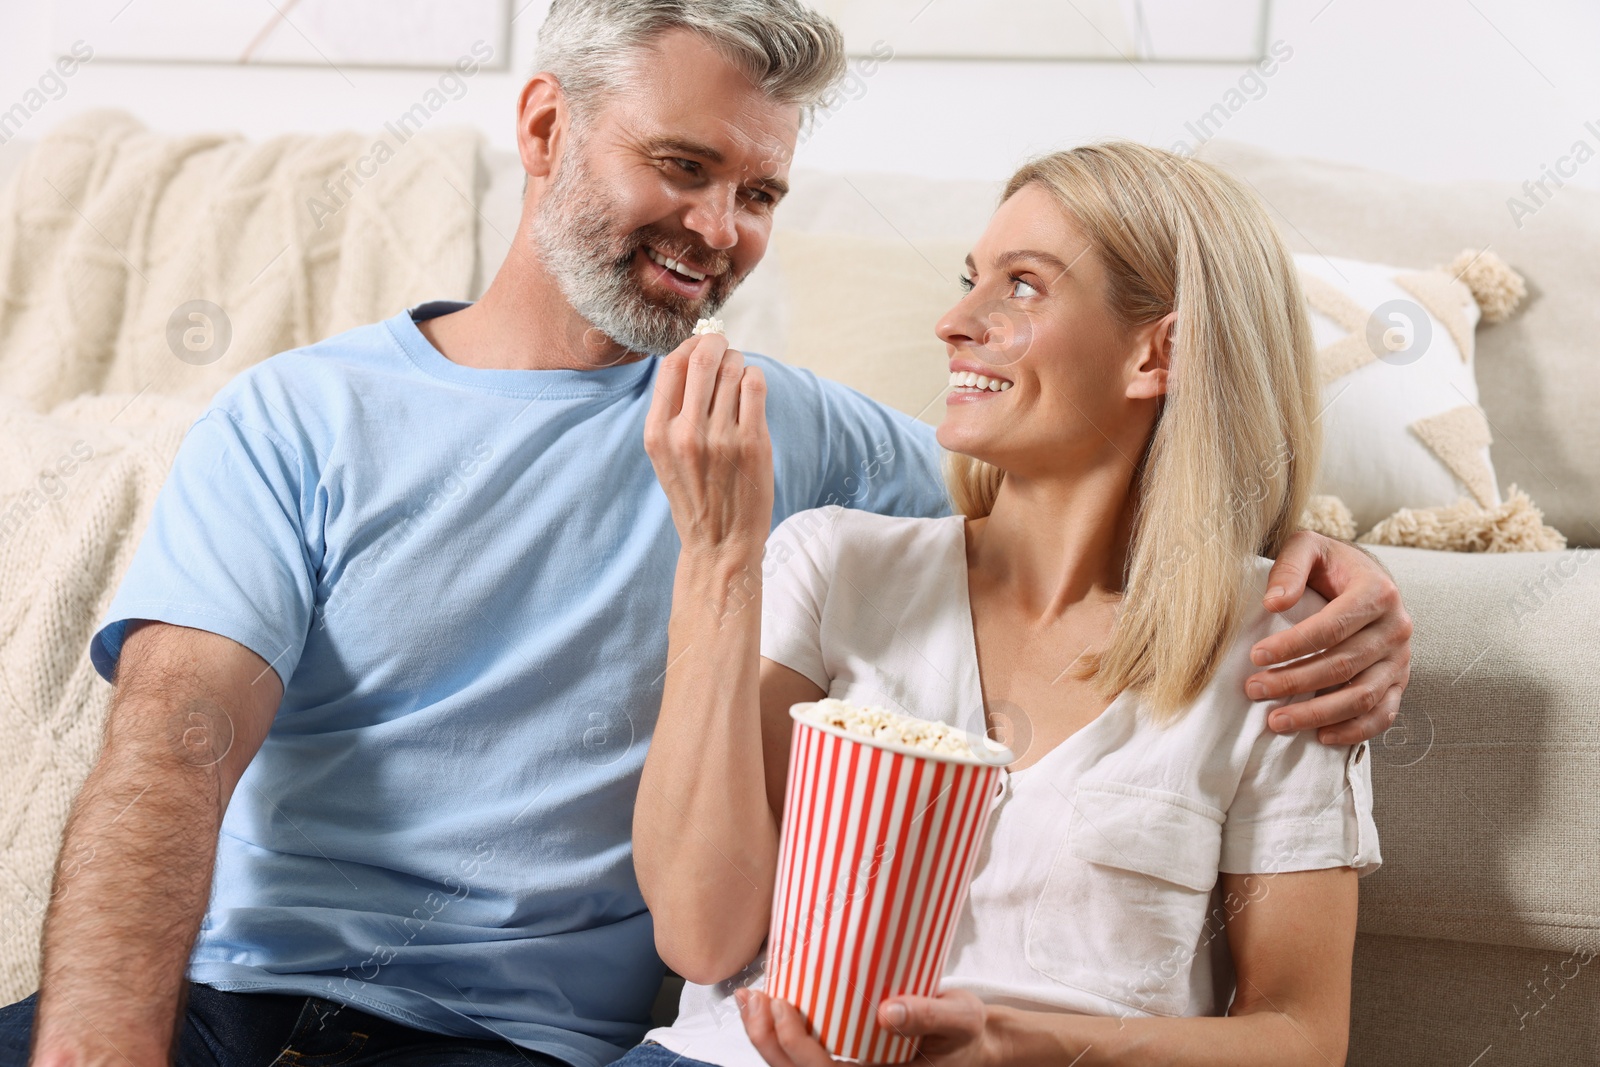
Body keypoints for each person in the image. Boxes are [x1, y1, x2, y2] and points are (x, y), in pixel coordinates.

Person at [2, 2, 1411, 1065]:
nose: (719, 230)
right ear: (546, 128)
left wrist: (1331, 561)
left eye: (760, 193)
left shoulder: (804, 445)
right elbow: (172, 754)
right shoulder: (298, 416)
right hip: (224, 997)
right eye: (682, 165)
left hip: (526, 1040)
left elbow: (1089, 487)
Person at [632, 141, 1381, 1067]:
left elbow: (1303, 1035)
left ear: (1162, 350)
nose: (953, 321)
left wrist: (1027, 1045)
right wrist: (716, 561)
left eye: (1022, 286)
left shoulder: (1282, 649)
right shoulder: (832, 564)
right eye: (969, 278)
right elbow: (702, 937)